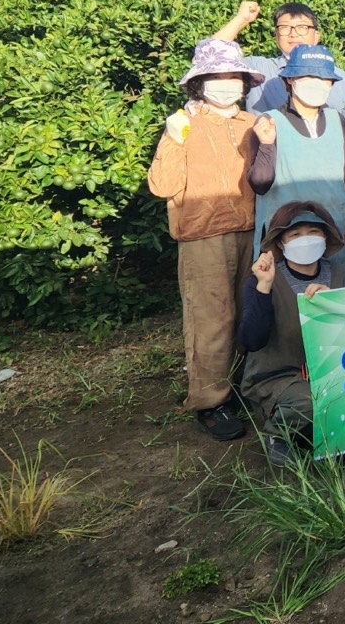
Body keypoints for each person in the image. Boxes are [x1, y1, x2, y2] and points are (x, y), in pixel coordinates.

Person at [147, 38, 264, 441]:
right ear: (200, 83)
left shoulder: (253, 124)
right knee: (211, 319)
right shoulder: (185, 123)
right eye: (217, 77)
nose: (227, 84)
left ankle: (243, 388)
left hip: (251, 229)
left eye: (233, 76)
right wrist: (173, 139)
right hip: (201, 234)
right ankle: (211, 401)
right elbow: (162, 185)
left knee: (249, 312)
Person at [239, 201, 345, 467]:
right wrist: (263, 289)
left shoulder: (339, 273)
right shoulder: (264, 279)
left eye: (314, 232)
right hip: (280, 377)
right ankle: (279, 433)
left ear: (325, 237)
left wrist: (334, 303)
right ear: (281, 243)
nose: (306, 240)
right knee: (314, 402)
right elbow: (251, 340)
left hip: (333, 370)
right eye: (295, 235)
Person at [249, 44, 345, 259]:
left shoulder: (336, 119)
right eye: (309, 77)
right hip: (286, 233)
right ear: (290, 79)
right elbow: (260, 184)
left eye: (324, 79)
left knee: (335, 286)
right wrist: (266, 144)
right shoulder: (270, 121)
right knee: (285, 288)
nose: (317, 85)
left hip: (334, 228)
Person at [212, 0, 345, 132]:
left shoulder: (341, 78)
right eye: (285, 27)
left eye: (302, 27)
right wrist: (241, 19)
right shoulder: (258, 68)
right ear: (276, 36)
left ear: (316, 36)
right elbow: (211, 57)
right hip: (268, 161)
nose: (293, 34)